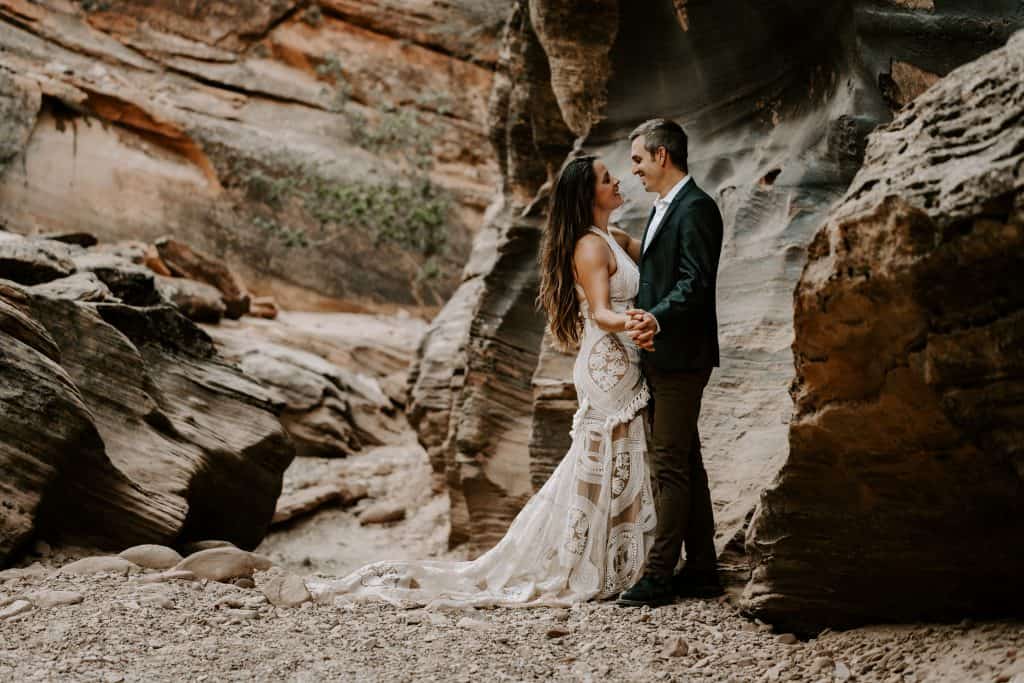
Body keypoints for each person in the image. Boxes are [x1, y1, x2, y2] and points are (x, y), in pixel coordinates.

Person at [308, 155, 656, 608]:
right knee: (611, 455)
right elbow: (602, 311)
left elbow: (655, 257)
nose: (617, 182)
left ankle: (622, 559)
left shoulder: (615, 237)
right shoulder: (590, 248)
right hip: (608, 364)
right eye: (607, 179)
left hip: (627, 359)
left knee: (623, 458)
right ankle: (601, 566)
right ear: (587, 196)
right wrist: (637, 321)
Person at [616, 118, 725, 607]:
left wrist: (655, 320)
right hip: (665, 355)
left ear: (662, 156)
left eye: (639, 158)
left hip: (682, 357)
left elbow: (695, 283)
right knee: (687, 462)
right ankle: (702, 568)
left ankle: (659, 575)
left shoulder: (698, 208)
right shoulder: (664, 207)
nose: (634, 168)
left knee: (667, 466)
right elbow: (664, 272)